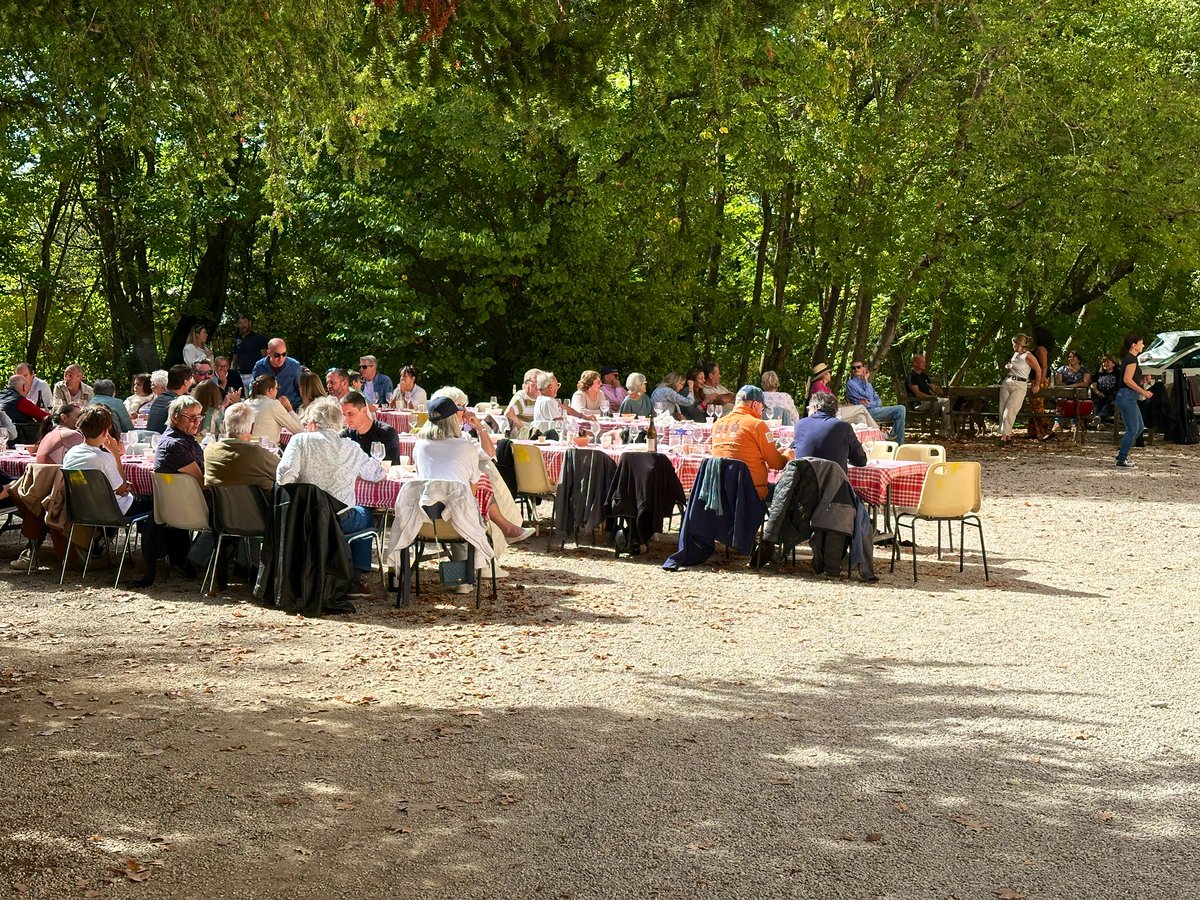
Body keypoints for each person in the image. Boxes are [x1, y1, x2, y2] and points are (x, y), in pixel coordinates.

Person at [414, 396, 532, 592]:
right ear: (452, 420)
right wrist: (479, 427)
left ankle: (464, 575)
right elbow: (473, 488)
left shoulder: (419, 446)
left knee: (454, 502)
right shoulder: (464, 446)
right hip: (458, 521)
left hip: (425, 520)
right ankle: (476, 565)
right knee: (469, 501)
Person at [276, 396, 384, 597]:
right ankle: (354, 579)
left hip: (305, 517)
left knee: (358, 512)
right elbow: (376, 474)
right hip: (340, 518)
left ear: (313, 422)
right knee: (366, 513)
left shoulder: (300, 441)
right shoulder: (350, 447)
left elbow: (284, 477)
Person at [135, 395, 206, 587]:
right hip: (189, 511)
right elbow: (201, 482)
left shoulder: (182, 439)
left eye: (199, 417)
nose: (197, 422)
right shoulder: (175, 445)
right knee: (236, 511)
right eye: (191, 417)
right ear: (175, 417)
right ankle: (199, 559)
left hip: (178, 509)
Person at [62, 406, 151, 518]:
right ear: (105, 431)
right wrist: (115, 453)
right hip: (113, 511)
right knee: (155, 503)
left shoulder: (71, 453)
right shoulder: (104, 458)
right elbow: (122, 490)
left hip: (82, 511)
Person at [710, 385, 792, 501]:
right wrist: (788, 455)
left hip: (721, 492)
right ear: (755, 404)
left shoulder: (717, 424)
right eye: (762, 408)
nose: (761, 413)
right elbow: (776, 464)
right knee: (792, 492)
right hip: (751, 492)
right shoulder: (757, 425)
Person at [203, 402, 279, 491]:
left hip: (220, 500)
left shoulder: (209, 452)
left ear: (223, 425)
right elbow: (284, 473)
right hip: (260, 500)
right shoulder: (260, 455)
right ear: (252, 427)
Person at [793, 392, 867, 472]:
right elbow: (860, 461)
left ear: (814, 407)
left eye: (808, 409)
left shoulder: (800, 425)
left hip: (803, 478)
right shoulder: (843, 427)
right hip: (833, 479)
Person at [1115, 333, 1153, 469]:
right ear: (1134, 345)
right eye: (1141, 343)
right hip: (1126, 396)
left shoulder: (1132, 359)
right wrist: (1144, 392)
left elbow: (1131, 380)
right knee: (1132, 429)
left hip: (1130, 397)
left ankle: (1122, 453)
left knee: (1139, 427)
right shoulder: (1131, 359)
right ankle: (1122, 459)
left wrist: (1143, 380)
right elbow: (1127, 380)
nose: (1143, 345)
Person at [846, 361, 907, 444]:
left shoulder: (866, 383)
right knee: (900, 409)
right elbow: (867, 396)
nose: (856, 369)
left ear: (863, 368)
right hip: (865, 412)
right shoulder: (851, 383)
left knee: (900, 410)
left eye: (858, 367)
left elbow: (877, 399)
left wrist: (871, 402)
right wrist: (866, 380)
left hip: (876, 409)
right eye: (853, 368)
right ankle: (896, 440)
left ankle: (895, 439)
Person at [998, 333, 1043, 445]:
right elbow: (1013, 367)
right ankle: (1008, 436)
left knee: (1010, 410)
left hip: (1020, 384)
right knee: (1002, 410)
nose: (1012, 346)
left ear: (1018, 344)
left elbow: (1038, 370)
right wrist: (1008, 367)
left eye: (1013, 344)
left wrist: (1037, 384)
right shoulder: (1015, 355)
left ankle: (1003, 437)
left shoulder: (1028, 356)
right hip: (1007, 382)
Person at [340, 390, 400, 463]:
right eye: (344, 415)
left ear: (364, 410)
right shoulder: (345, 436)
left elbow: (390, 466)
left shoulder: (386, 433)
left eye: (350, 414)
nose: (346, 420)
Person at [245, 375, 304, 444]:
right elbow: (298, 429)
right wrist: (289, 408)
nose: (277, 391)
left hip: (247, 446)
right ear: (270, 390)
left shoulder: (246, 403)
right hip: (266, 448)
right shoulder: (273, 404)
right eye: (276, 388)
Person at [249, 338, 303, 410]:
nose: (281, 358)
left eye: (284, 354)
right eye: (277, 355)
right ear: (268, 353)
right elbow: (253, 387)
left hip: (291, 407)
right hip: (268, 408)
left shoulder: (294, 365)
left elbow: (300, 387)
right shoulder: (259, 366)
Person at [904, 355, 950, 436]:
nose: (925, 364)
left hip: (929, 401)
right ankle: (944, 430)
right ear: (915, 363)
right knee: (947, 402)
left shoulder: (924, 376)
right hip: (919, 403)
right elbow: (918, 394)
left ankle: (948, 430)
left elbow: (933, 387)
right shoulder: (911, 377)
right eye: (922, 362)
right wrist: (932, 397)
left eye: (925, 362)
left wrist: (941, 392)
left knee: (949, 401)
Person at [1026, 327, 1055, 441]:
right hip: (1035, 379)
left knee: (1037, 405)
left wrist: (1040, 382)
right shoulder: (1037, 348)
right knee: (1033, 405)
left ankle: (1047, 430)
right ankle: (1033, 430)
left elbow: (1044, 367)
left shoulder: (1041, 349)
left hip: (1041, 379)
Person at [531, 372, 581, 437]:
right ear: (551, 387)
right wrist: (573, 421)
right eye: (557, 385)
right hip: (551, 437)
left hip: (539, 436)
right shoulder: (549, 401)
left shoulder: (539, 400)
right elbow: (559, 422)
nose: (558, 388)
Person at [146, 364, 193, 434]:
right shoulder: (180, 403)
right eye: (191, 378)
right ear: (185, 382)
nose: (192, 382)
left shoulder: (158, 400)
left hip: (152, 438)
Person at [1054, 350, 1091, 430]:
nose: (1071, 358)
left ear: (1079, 360)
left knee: (1076, 401)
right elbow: (1058, 382)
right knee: (1060, 400)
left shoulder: (1084, 370)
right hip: (1065, 391)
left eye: (1074, 357)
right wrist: (1067, 387)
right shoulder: (1062, 369)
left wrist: (1074, 386)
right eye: (1070, 357)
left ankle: (1074, 423)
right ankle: (1057, 423)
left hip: (1079, 392)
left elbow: (1085, 383)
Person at [232, 314, 269, 382]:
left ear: (249, 323)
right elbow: (234, 359)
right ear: (238, 325)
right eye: (241, 323)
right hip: (239, 375)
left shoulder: (259, 338)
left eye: (245, 322)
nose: (243, 325)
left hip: (255, 375)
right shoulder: (237, 340)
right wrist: (233, 374)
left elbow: (265, 358)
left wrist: (264, 375)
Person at [503, 369, 541, 433]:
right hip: (521, 435)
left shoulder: (541, 398)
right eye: (536, 382)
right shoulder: (521, 396)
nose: (539, 385)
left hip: (536, 432)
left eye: (541, 382)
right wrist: (524, 431)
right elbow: (508, 413)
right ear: (526, 383)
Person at [1091, 356, 1119, 423]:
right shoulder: (1098, 374)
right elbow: (1093, 385)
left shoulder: (1118, 373)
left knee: (1110, 401)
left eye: (1108, 362)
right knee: (1097, 403)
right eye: (1104, 362)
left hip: (1112, 395)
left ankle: (1098, 418)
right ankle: (1099, 421)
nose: (1105, 364)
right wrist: (1097, 392)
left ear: (1113, 364)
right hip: (1099, 395)